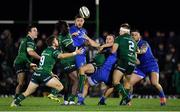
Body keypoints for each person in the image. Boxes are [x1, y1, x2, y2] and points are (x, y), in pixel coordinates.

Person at [11, 35, 83, 107]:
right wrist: (75, 53)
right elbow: (61, 56)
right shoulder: (53, 51)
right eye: (56, 40)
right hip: (44, 74)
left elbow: (45, 64)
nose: (58, 41)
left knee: (28, 92)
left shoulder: (45, 50)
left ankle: (15, 102)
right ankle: (52, 94)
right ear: (53, 43)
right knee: (60, 86)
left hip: (37, 74)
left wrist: (51, 74)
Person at [76, 34, 117, 105]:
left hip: (98, 67)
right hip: (99, 70)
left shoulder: (114, 47)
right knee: (87, 84)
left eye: (110, 38)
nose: (108, 40)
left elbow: (113, 44)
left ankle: (79, 92)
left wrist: (103, 46)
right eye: (107, 38)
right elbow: (94, 44)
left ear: (114, 40)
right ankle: (81, 100)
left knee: (82, 69)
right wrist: (88, 37)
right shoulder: (103, 46)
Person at [129, 30, 166, 106]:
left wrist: (135, 52)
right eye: (132, 35)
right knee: (129, 83)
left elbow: (143, 50)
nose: (133, 36)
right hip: (141, 67)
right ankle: (128, 100)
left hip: (151, 65)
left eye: (135, 35)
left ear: (139, 36)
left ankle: (162, 97)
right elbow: (137, 61)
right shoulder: (131, 45)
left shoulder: (144, 43)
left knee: (154, 83)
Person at [69, 15, 100, 95]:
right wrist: (70, 35)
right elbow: (64, 38)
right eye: (78, 20)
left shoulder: (84, 31)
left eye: (81, 20)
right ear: (75, 21)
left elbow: (87, 43)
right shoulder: (71, 29)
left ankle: (76, 98)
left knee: (80, 78)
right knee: (76, 78)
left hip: (81, 56)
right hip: (73, 55)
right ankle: (73, 98)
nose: (80, 22)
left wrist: (98, 45)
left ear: (84, 22)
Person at [51, 20, 78, 105]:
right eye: (66, 26)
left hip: (63, 61)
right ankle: (72, 101)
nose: (68, 27)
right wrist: (81, 46)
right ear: (63, 28)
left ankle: (66, 101)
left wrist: (72, 35)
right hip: (68, 61)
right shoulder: (65, 36)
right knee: (76, 80)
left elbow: (64, 40)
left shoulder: (60, 36)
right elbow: (71, 48)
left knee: (68, 82)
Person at [111, 23, 138, 105]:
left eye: (120, 31)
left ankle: (126, 98)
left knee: (115, 81)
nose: (119, 32)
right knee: (127, 83)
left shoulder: (119, 38)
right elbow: (136, 52)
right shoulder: (133, 40)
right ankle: (124, 102)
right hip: (132, 63)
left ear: (123, 31)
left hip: (123, 61)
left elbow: (113, 51)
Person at [13, 25, 41, 101]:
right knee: (21, 83)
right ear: (29, 32)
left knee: (39, 73)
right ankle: (16, 100)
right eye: (34, 30)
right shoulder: (29, 40)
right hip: (21, 62)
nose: (36, 32)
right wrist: (41, 58)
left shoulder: (27, 40)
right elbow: (31, 52)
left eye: (36, 30)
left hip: (26, 62)